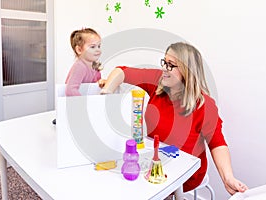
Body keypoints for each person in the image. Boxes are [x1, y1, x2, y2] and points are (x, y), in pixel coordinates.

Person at [100, 42, 248, 196]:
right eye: (164, 62)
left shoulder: (204, 105)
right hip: (155, 160)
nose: (164, 68)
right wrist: (106, 93)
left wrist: (228, 178)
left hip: (185, 172)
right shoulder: (158, 79)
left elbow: (217, 143)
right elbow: (122, 72)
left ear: (187, 72)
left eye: (171, 65)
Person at [65, 28, 103, 96]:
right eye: (92, 47)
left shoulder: (94, 67)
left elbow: (93, 87)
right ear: (79, 50)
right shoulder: (80, 66)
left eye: (99, 46)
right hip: (75, 103)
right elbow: (70, 90)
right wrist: (84, 103)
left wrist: (100, 82)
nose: (98, 50)